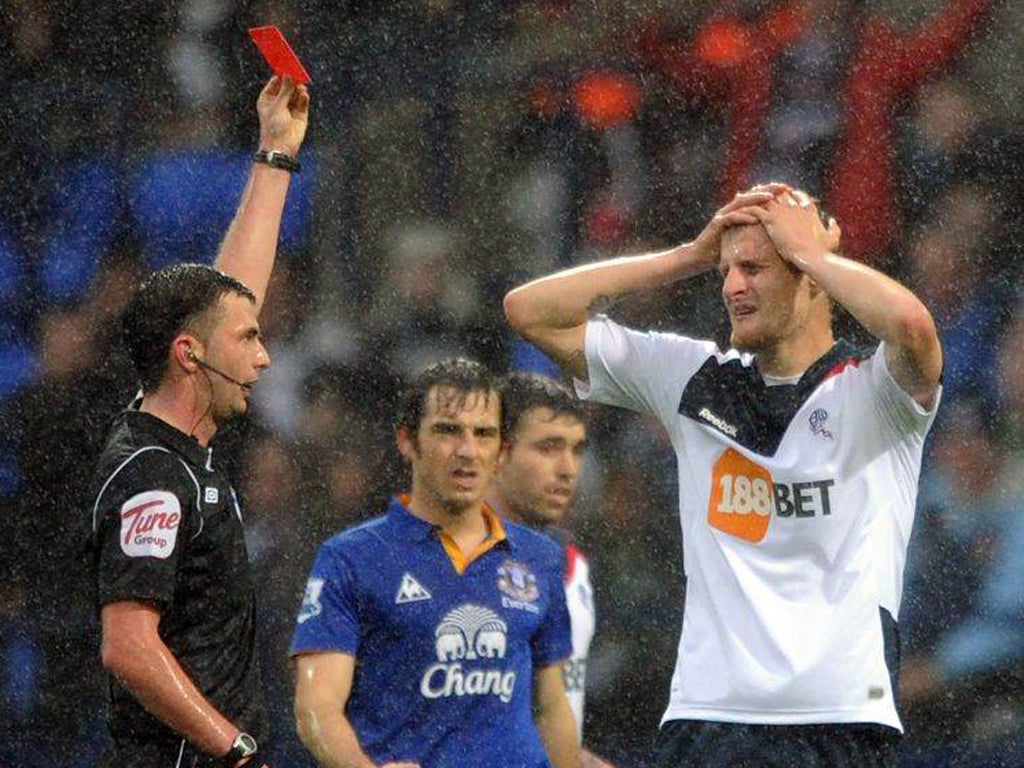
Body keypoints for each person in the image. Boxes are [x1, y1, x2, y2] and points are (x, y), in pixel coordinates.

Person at [503, 183, 943, 765]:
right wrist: (688, 255)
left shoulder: (876, 394)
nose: (733, 286)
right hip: (708, 718)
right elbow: (529, 312)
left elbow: (912, 325)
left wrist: (814, 254)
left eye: (756, 267)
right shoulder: (691, 377)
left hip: (842, 718)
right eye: (726, 270)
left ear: (813, 278)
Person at [84, 75, 310, 768]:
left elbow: (231, 296)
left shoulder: (177, 439)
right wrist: (233, 748)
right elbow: (127, 644)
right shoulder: (154, 475)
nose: (265, 357)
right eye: (248, 343)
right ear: (190, 357)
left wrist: (275, 156)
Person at [290, 359, 580, 768]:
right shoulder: (351, 558)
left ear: (501, 452)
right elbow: (316, 708)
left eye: (484, 434)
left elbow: (552, 707)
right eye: (447, 430)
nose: (467, 451)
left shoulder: (539, 557)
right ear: (408, 441)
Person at [489, 372, 615, 768]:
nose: (567, 469)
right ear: (498, 452)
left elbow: (546, 713)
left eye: (577, 450)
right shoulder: (438, 566)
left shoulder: (570, 565)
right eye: (548, 448)